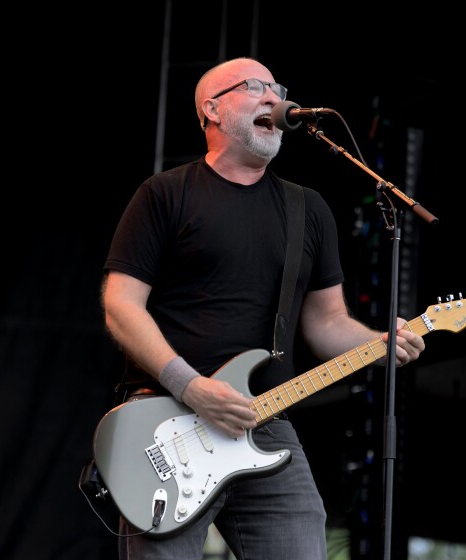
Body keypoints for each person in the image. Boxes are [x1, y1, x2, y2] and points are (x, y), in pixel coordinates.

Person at [100, 56, 425, 560]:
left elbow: (326, 323)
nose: (274, 98)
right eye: (255, 87)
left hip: (265, 420)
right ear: (211, 109)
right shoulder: (165, 194)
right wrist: (192, 385)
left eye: (278, 87)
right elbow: (121, 306)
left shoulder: (307, 209)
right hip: (165, 420)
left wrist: (379, 343)